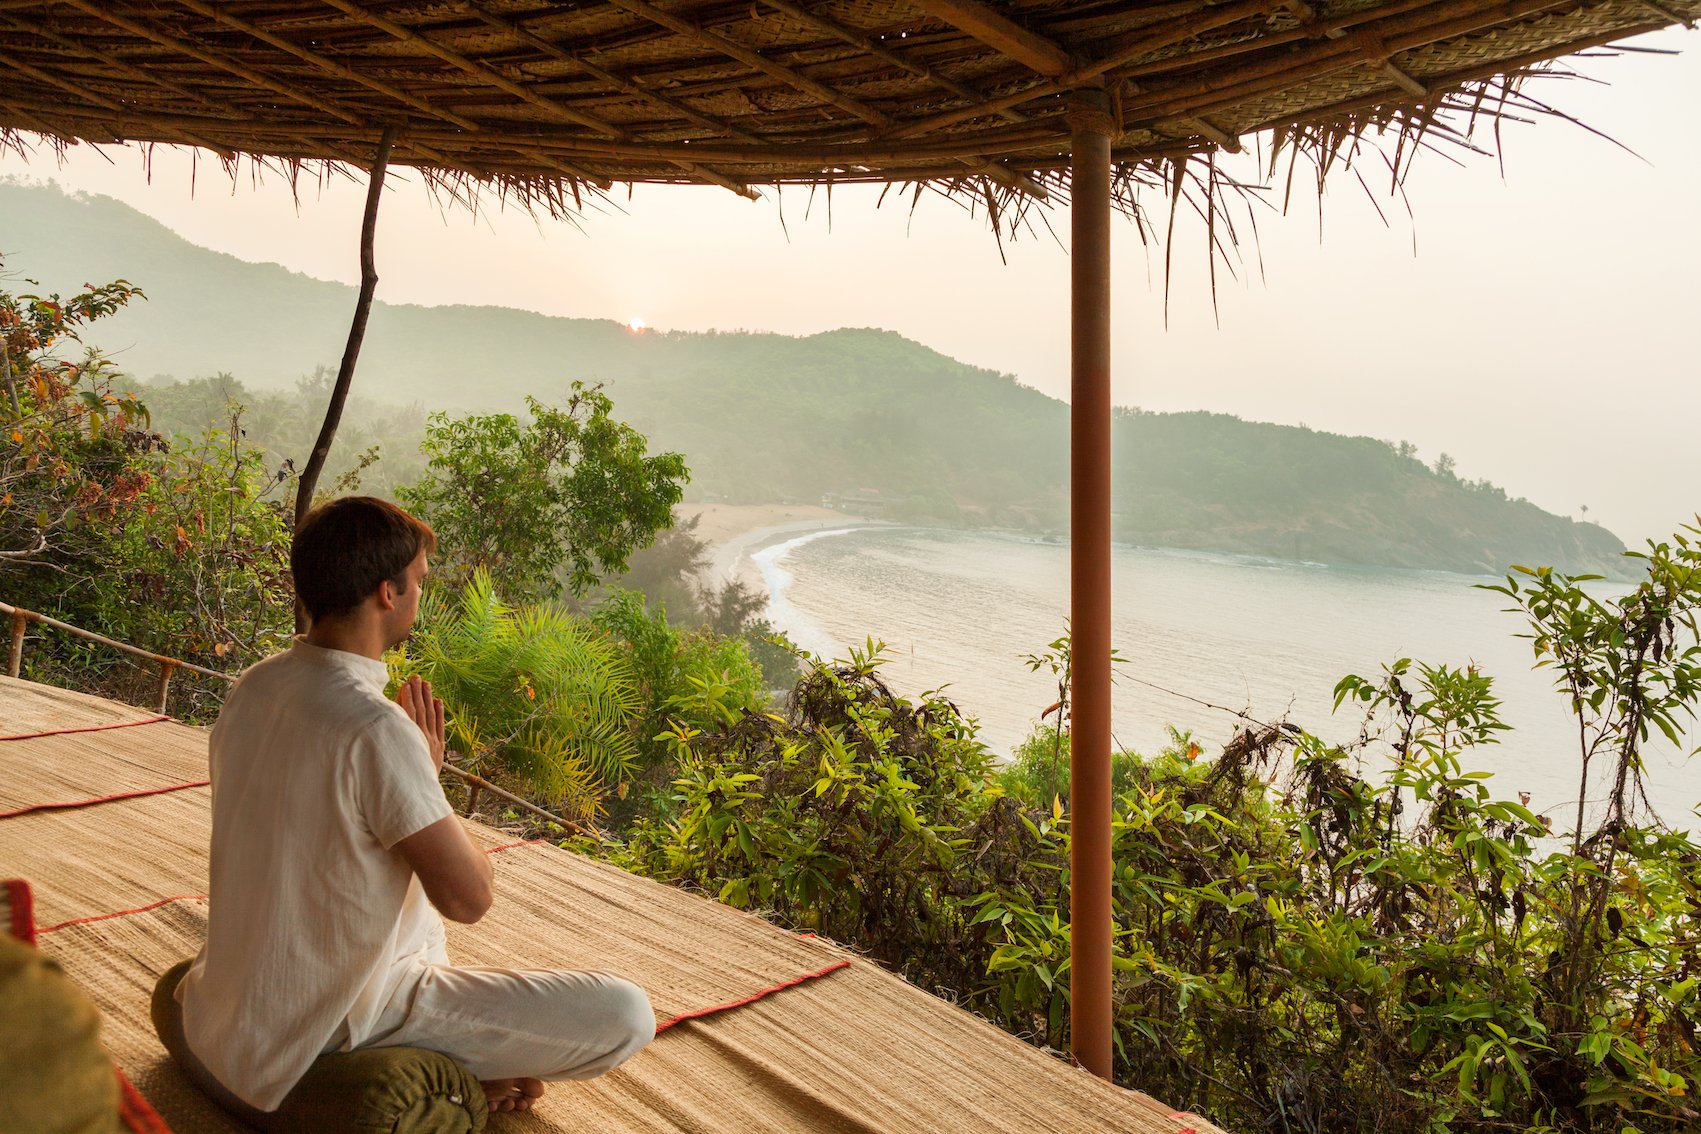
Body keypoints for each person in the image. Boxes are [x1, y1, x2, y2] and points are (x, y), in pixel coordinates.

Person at [177, 496, 653, 1116]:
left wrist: (415, 782)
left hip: (233, 1008)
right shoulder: (374, 727)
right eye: (420, 582)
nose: (421, 596)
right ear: (387, 593)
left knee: (408, 903)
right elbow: (470, 899)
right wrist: (429, 784)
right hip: (328, 1022)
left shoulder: (256, 684)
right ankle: (442, 1071)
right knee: (626, 1014)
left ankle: (455, 1061)